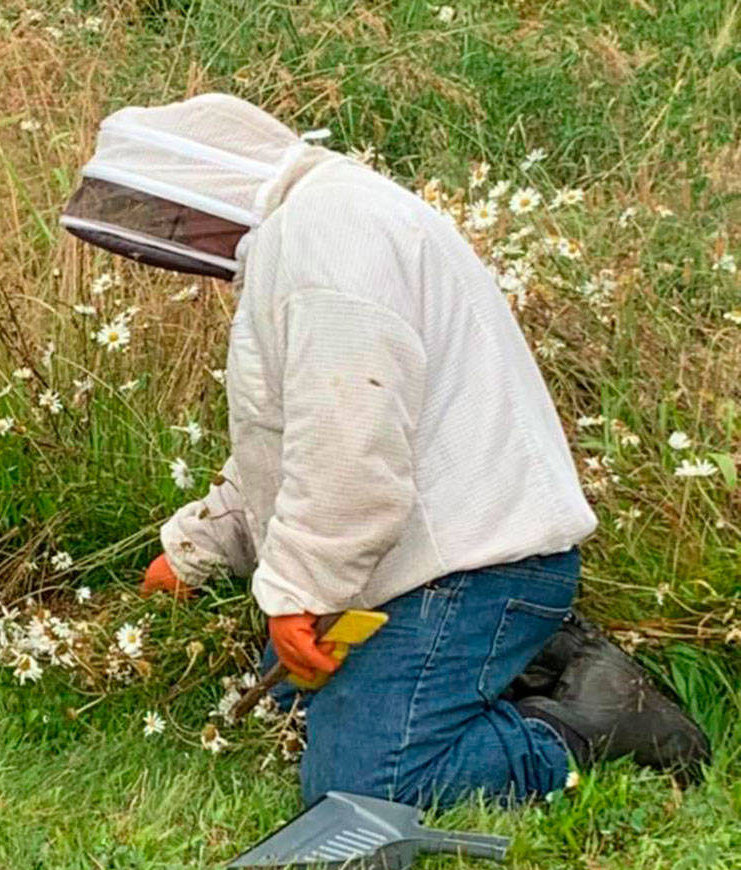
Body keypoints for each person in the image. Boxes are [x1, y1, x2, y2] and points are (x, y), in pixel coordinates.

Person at [60, 93, 709, 808]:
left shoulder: (328, 239)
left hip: (477, 567)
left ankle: (590, 726)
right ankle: (527, 661)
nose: (174, 236)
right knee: (289, 704)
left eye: (172, 215)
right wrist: (193, 551)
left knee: (367, 781)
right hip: (431, 559)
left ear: (201, 186)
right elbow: (288, 448)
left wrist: (300, 593)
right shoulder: (313, 226)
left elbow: (349, 453)